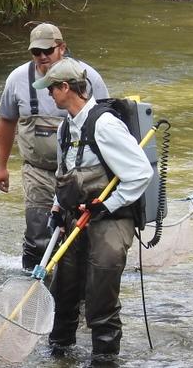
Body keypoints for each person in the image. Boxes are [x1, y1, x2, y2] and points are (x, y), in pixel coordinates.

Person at [37, 58, 152, 361]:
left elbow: (140, 173)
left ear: (66, 88)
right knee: (65, 288)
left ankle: (104, 357)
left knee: (100, 294)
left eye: (52, 89)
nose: (49, 94)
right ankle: (59, 352)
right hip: (77, 216)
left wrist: (107, 205)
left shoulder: (105, 124)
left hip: (111, 219)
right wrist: (57, 209)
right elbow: (65, 173)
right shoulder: (65, 129)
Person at [0, 23, 109, 271]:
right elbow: (6, 122)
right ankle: (31, 286)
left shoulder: (88, 76)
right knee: (37, 233)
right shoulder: (17, 79)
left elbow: (107, 121)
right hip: (38, 171)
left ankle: (70, 292)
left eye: (48, 50)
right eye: (37, 52)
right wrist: (1, 166)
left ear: (62, 48)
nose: (43, 56)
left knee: (78, 237)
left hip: (82, 174)